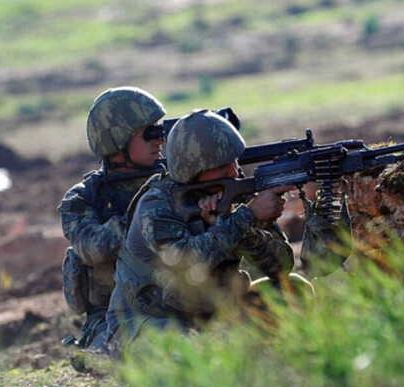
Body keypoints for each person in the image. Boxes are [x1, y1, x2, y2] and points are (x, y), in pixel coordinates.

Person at [106, 109, 295, 355]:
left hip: (210, 313)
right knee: (193, 354)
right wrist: (243, 218)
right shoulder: (156, 205)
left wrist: (241, 225)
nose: (232, 171)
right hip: (147, 321)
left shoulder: (233, 189)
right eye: (220, 165)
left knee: (294, 290)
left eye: (234, 160)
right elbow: (185, 263)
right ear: (192, 171)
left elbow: (281, 266)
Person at [58, 86, 167, 351]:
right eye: (150, 133)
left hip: (178, 303)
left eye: (160, 131)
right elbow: (91, 247)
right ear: (118, 140)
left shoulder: (173, 181)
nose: (160, 141)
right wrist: (148, 217)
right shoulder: (85, 198)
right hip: (112, 318)